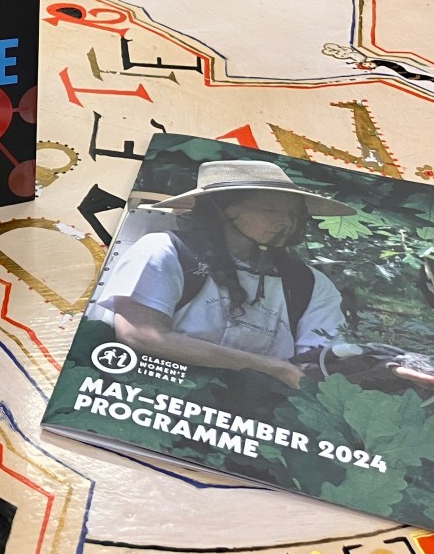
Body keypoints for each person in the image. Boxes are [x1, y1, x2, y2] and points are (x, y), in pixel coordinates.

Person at [90, 160, 354, 390]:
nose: (285, 221)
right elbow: (140, 334)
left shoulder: (310, 284)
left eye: (293, 213)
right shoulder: (165, 250)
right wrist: (272, 368)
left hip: (259, 415)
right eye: (269, 210)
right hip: (148, 396)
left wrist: (358, 368)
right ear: (223, 208)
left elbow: (317, 361)